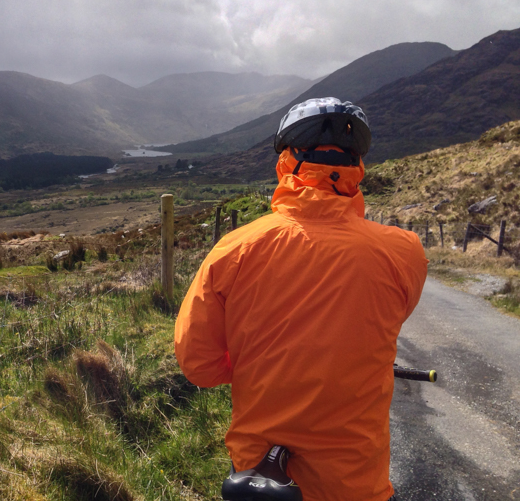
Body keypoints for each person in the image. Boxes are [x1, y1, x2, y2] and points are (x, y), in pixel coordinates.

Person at [175, 97, 427, 501]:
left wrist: (255, 365)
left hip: (261, 467)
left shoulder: (235, 249)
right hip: (357, 478)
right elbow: (388, 317)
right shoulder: (404, 252)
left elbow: (199, 366)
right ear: (357, 168)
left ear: (287, 163)